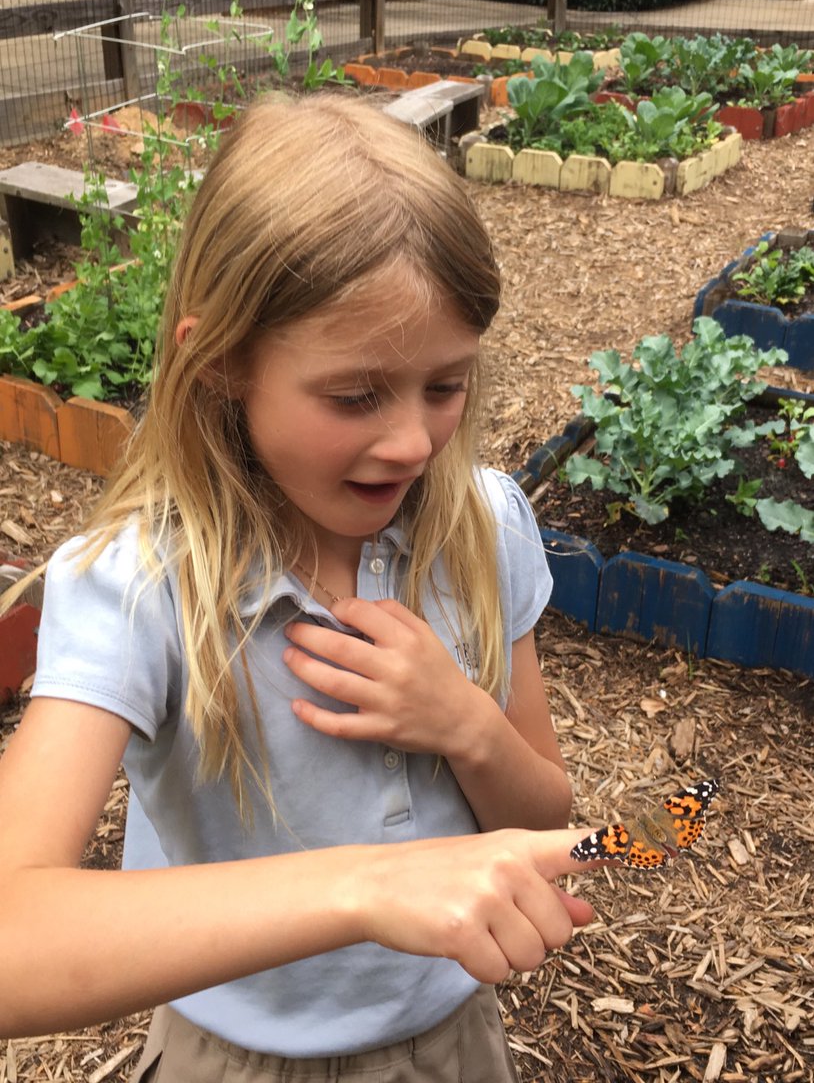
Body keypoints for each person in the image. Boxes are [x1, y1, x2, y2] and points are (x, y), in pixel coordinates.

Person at [0, 93, 596, 1081]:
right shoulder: (140, 586)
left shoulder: (481, 527)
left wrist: (468, 727)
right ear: (222, 360)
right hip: (236, 1057)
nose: (411, 440)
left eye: (444, 385)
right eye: (356, 394)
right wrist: (369, 886)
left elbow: (547, 825)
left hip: (453, 1043)